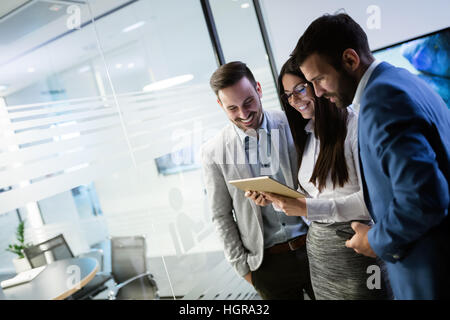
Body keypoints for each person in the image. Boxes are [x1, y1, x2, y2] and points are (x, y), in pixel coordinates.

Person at [292, 13, 450, 299]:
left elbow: (424, 199)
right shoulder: (401, 79)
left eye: (319, 79)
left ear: (350, 60)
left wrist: (375, 240)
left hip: (429, 272)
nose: (316, 92)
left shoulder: (381, 101)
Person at [248, 57, 387, 300]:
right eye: (288, 95)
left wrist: (306, 206)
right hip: (321, 256)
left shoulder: (355, 126)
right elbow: (317, 199)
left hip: (356, 249)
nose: (295, 100)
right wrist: (280, 199)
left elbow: (373, 199)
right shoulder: (309, 135)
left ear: (317, 84)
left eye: (300, 89)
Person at [201, 61, 314, 300]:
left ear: (259, 89)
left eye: (248, 102)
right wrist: (244, 269)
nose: (243, 114)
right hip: (267, 266)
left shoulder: (294, 123)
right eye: (232, 108)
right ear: (220, 105)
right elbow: (221, 215)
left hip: (314, 246)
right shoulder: (213, 152)